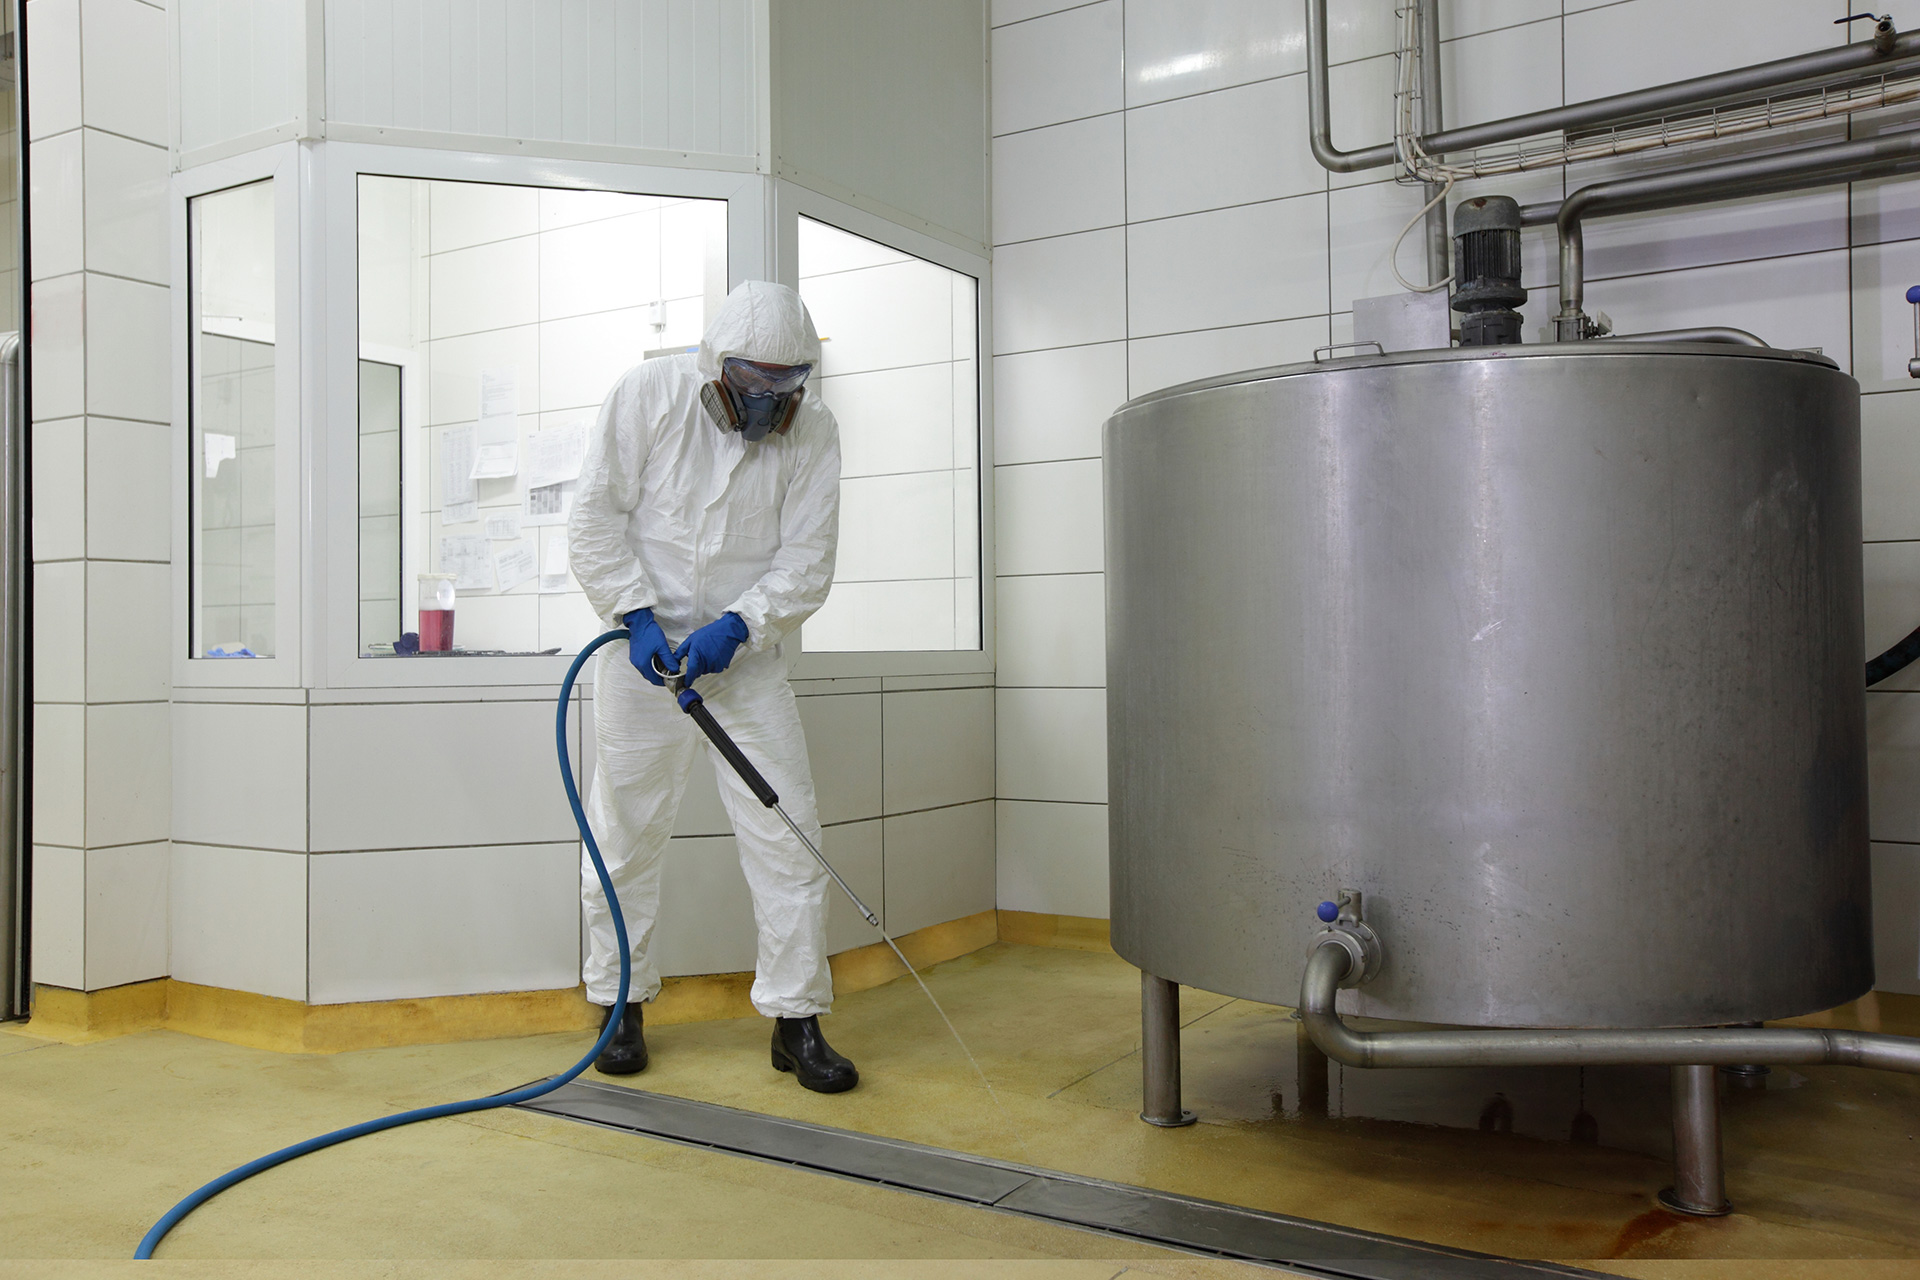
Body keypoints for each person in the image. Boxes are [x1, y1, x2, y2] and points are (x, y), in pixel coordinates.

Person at [566, 280, 855, 1093]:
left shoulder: (816, 433)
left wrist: (741, 626)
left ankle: (796, 1017)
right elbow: (593, 516)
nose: (765, 402)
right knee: (624, 832)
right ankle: (618, 1002)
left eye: (783, 386)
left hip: (745, 658)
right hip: (641, 656)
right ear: (712, 365)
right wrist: (634, 614)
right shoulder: (647, 395)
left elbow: (808, 557)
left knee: (787, 827)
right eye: (750, 382)